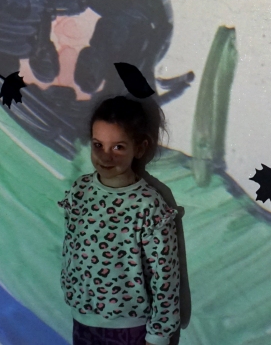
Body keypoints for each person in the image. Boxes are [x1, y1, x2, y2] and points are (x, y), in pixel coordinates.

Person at [59, 96, 180, 345]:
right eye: (98, 145)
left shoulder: (148, 205)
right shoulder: (80, 191)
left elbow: (165, 275)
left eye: (118, 147)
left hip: (129, 331)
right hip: (83, 323)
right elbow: (71, 249)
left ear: (140, 149)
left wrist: (158, 336)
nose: (105, 157)